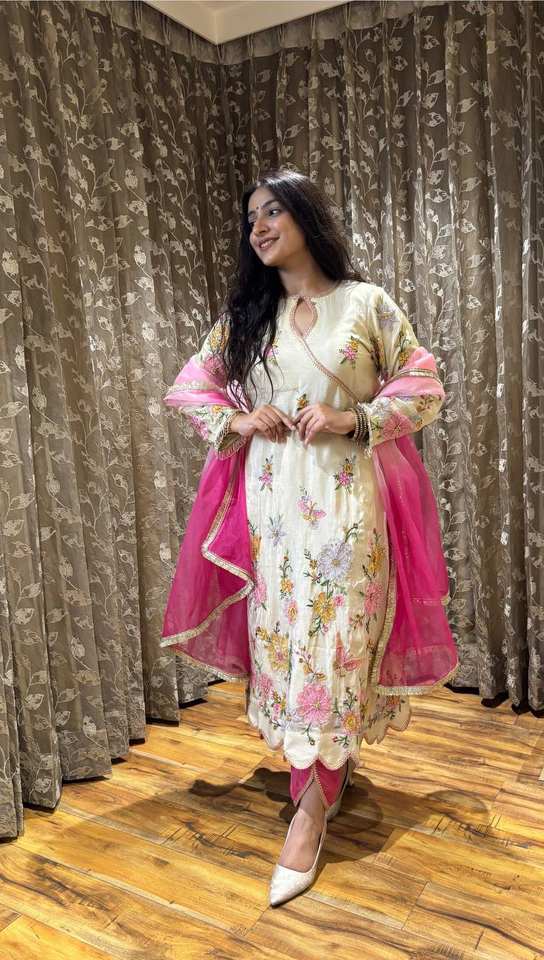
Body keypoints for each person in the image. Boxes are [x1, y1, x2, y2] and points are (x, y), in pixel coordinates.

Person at [161, 168, 458, 907]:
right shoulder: (248, 318)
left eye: (272, 212)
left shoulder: (365, 304)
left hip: (345, 502)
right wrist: (239, 419)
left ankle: (311, 812)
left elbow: (424, 386)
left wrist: (352, 419)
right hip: (271, 510)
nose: (258, 227)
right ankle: (318, 769)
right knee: (284, 638)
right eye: (251, 218)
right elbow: (188, 387)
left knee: (334, 637)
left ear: (305, 217)